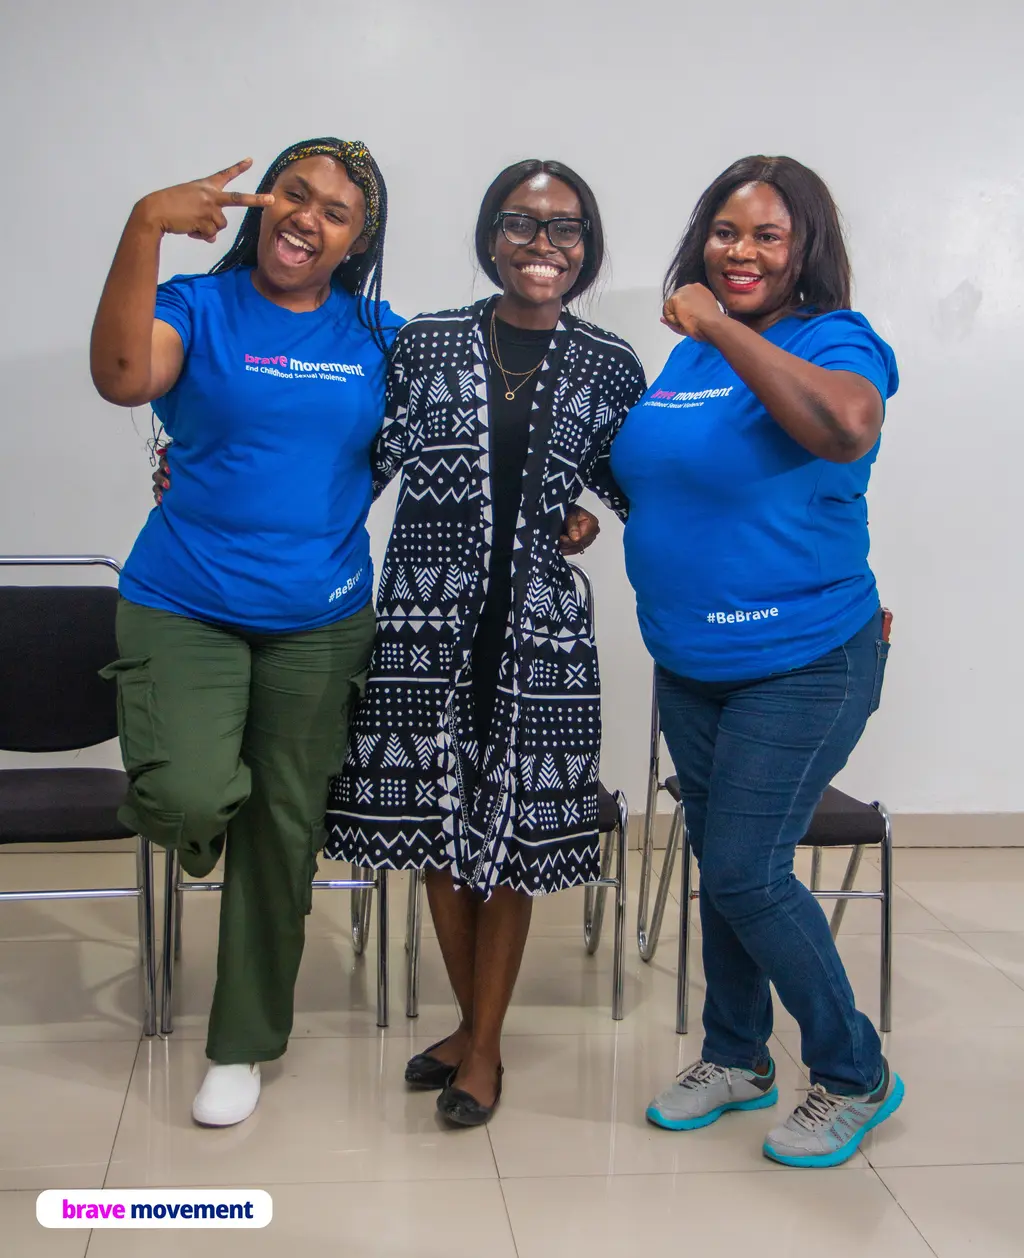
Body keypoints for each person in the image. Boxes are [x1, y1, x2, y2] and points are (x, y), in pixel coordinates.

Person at [324, 159, 646, 1126]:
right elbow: (352, 463)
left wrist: (584, 516)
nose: (543, 245)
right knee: (437, 830)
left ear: (586, 249)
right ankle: (472, 1030)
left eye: (566, 229)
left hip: (541, 641)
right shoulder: (422, 347)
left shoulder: (609, 364)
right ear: (488, 236)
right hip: (425, 627)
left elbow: (651, 486)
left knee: (505, 844)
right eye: (521, 223)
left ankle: (485, 1050)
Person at [90, 137, 398, 1128]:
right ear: (262, 204)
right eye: (293, 194)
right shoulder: (199, 306)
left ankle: (241, 1044)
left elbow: (456, 423)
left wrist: (567, 504)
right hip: (185, 598)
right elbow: (124, 376)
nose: (306, 218)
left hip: (319, 620)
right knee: (190, 789)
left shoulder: (375, 332)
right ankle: (201, 814)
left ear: (358, 240)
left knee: (282, 831)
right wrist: (144, 222)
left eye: (335, 211)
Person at [610, 155, 903, 1168]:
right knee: (723, 861)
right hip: (691, 659)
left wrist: (721, 327)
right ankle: (736, 1053)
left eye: (766, 235)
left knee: (743, 866)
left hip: (806, 657)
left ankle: (854, 1068)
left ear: (804, 248)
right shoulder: (685, 361)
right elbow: (667, 477)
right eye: (724, 231)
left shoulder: (835, 339)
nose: (739, 252)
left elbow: (840, 427)